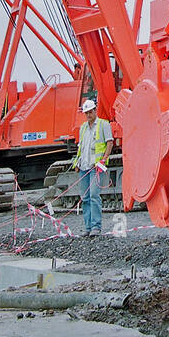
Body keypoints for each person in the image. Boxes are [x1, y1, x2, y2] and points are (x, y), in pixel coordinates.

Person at [71, 99, 113, 237]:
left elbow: (109, 143)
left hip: (96, 167)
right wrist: (77, 163)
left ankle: (96, 227)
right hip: (84, 167)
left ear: (95, 110)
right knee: (85, 197)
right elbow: (81, 147)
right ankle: (88, 227)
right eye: (86, 113)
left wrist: (103, 160)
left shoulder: (103, 125)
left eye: (90, 112)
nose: (88, 115)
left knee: (94, 195)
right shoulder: (83, 127)